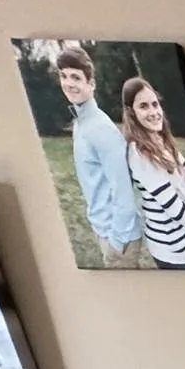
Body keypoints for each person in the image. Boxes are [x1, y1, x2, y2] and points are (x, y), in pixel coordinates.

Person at [56, 45, 143, 268]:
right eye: (63, 76)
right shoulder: (81, 121)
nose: (68, 83)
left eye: (76, 77)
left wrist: (116, 243)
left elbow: (124, 192)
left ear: (91, 84)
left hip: (118, 239)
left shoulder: (102, 129)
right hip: (103, 230)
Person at [120, 75, 185, 270]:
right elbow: (183, 215)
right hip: (171, 252)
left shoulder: (162, 141)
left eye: (155, 104)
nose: (153, 112)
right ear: (131, 112)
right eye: (143, 106)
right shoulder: (140, 155)